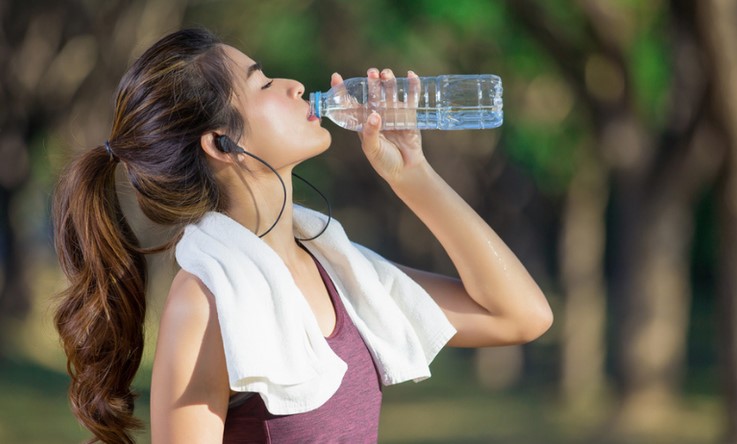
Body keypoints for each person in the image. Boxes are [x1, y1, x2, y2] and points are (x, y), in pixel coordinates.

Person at [52, 28, 552, 444]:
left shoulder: (339, 270)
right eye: (263, 83)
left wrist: (412, 174)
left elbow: (521, 315)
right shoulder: (206, 301)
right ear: (222, 143)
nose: (294, 85)